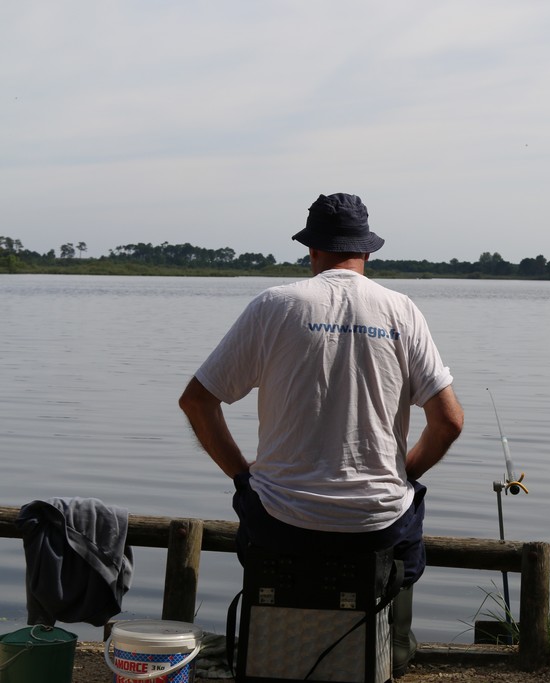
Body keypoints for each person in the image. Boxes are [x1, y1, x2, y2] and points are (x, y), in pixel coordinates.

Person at [178, 192, 464, 677]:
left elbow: (197, 401)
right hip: (376, 524)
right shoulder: (402, 310)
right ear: (367, 250)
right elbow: (449, 421)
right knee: (402, 545)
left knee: (266, 530)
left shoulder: (275, 305)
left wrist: (243, 476)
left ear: (312, 249)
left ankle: (275, 649)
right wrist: (403, 473)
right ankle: (391, 650)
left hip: (280, 521)